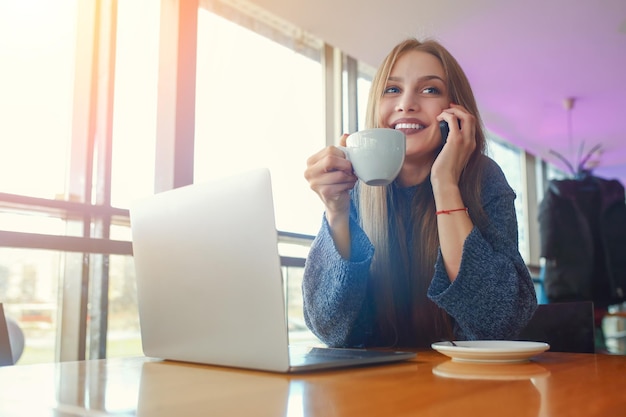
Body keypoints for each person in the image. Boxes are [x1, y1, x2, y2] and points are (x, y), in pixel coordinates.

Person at [302, 38, 537, 348]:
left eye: (430, 90)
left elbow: (499, 323)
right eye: (392, 89)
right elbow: (330, 328)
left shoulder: (484, 179)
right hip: (376, 387)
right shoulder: (354, 188)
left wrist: (445, 184)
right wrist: (336, 212)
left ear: (455, 110)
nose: (406, 104)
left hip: (467, 385)